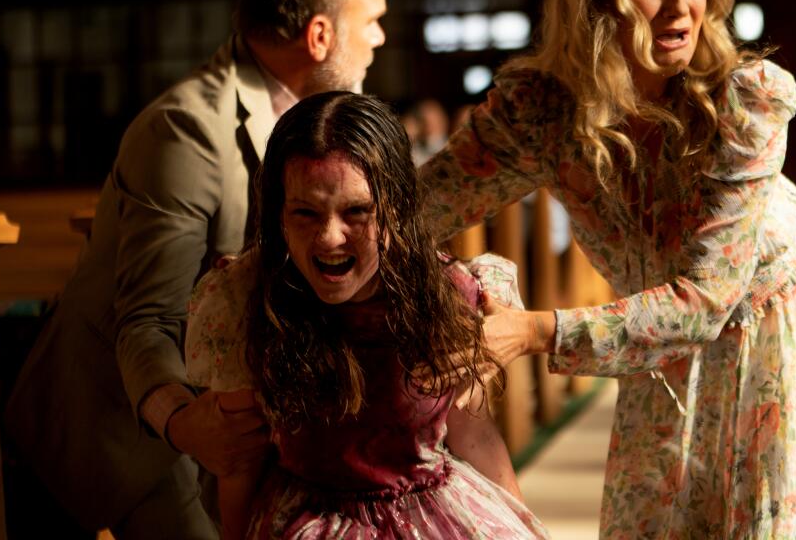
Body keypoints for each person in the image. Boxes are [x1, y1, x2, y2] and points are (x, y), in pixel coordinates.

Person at [420, 0, 796, 537]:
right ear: (597, 1)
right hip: (655, 360)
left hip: (773, 346)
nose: (682, 6)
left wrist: (531, 330)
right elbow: (418, 208)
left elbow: (705, 301)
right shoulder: (542, 111)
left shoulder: (744, 101)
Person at [5, 0, 388, 538]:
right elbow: (148, 321)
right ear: (320, 35)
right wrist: (187, 425)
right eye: (371, 19)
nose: (379, 36)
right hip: (137, 432)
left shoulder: (314, 122)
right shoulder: (185, 132)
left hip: (237, 415)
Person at [184, 92, 548, 540]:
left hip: (431, 517)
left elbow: (472, 433)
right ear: (279, 213)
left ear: (395, 208)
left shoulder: (445, 295)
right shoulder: (246, 299)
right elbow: (239, 461)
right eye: (305, 212)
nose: (329, 237)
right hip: (309, 519)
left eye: (357, 211)